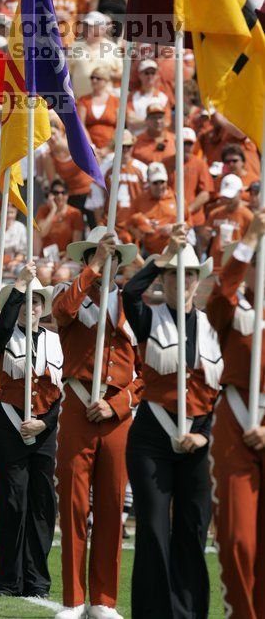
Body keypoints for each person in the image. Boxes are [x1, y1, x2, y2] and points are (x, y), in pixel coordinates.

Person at [122, 225, 223, 619]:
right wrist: (163, 255)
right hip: (152, 437)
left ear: (199, 281)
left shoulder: (214, 324)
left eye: (189, 275)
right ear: (164, 279)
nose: (182, 282)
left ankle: (188, 612)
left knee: (193, 531)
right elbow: (130, 292)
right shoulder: (149, 317)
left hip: (199, 440)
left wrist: (205, 437)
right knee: (153, 528)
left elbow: (226, 389)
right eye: (173, 275)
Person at [52, 228, 141, 619]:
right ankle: (72, 600)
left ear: (122, 264)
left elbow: (148, 373)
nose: (108, 263)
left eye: (113, 257)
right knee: (73, 504)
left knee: (111, 507)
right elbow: (62, 312)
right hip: (76, 403)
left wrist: (119, 404)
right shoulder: (71, 293)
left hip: (116, 412)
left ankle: (104, 600)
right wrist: (93, 267)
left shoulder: (135, 306)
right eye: (99, 256)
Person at [0, 263, 63, 598]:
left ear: (43, 308)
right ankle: (9, 580)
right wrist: (18, 285)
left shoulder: (58, 341)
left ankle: (38, 581)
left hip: (45, 431)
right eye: (24, 302)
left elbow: (66, 391)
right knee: (13, 503)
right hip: (10, 426)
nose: (30, 307)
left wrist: (46, 422)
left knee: (42, 506)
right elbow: (0, 330)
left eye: (35, 302)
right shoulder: (2, 336)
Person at [206, 208, 265, 619]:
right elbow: (219, 297)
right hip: (235, 422)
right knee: (238, 538)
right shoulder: (235, 310)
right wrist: (249, 240)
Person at [129, 162, 190, 258]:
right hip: (149, 254)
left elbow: (189, 223)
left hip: (175, 253)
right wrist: (141, 228)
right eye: (155, 183)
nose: (159, 186)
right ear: (148, 182)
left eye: (162, 182)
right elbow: (129, 225)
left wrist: (173, 228)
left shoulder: (177, 198)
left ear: (167, 181)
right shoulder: (140, 200)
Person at [35, 178, 84, 286]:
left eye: (63, 193)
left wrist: (62, 260)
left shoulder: (75, 214)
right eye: (56, 193)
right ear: (50, 195)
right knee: (43, 274)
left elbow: (76, 244)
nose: (60, 196)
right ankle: (44, 302)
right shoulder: (43, 210)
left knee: (60, 276)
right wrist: (53, 210)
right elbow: (42, 233)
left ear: (68, 195)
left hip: (67, 259)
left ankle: (58, 303)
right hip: (46, 259)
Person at [67, 11, 123, 98]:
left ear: (103, 29)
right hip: (79, 102)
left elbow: (122, 75)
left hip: (105, 104)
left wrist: (107, 74)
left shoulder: (113, 48)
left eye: (92, 26)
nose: (88, 28)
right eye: (86, 25)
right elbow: (65, 73)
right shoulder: (73, 47)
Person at [205, 173, 253, 270]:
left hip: (235, 267)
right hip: (215, 265)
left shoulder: (248, 216)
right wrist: (207, 235)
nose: (227, 200)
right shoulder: (214, 214)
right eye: (225, 196)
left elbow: (252, 243)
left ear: (240, 193)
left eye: (231, 197)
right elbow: (206, 238)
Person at [77, 66, 119, 150]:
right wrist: (91, 147)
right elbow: (81, 125)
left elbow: (119, 126)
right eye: (92, 77)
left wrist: (108, 148)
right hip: (89, 148)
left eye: (98, 78)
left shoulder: (115, 101)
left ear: (106, 81)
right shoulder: (83, 100)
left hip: (111, 148)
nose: (94, 80)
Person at [127, 60, 170, 136]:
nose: (150, 76)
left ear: (157, 75)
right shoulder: (132, 96)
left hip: (156, 141)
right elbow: (130, 121)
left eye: (153, 73)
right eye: (146, 73)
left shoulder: (163, 97)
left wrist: (142, 122)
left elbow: (166, 122)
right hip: (137, 140)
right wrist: (155, 122)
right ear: (140, 75)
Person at [131, 102, 175, 167]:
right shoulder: (136, 141)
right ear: (146, 120)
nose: (157, 121)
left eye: (160, 117)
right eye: (154, 118)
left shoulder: (174, 139)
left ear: (165, 119)